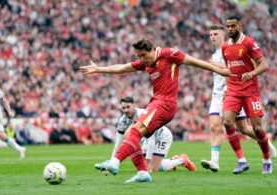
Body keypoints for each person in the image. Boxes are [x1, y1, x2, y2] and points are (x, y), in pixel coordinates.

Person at [80, 38, 233, 183]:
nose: (142, 59)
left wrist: (219, 70)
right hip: (157, 102)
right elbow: (122, 67)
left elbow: (195, 62)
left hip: (165, 103)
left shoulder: (168, 54)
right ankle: (142, 173)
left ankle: (115, 162)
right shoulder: (146, 62)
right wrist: (99, 69)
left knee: (133, 132)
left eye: (144, 55)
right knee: (130, 135)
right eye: (139, 56)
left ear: (152, 50)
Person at [200, 24, 277, 172]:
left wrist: (218, 67)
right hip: (219, 95)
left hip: (237, 91)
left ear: (223, 35)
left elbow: (237, 69)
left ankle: (267, 145)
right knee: (215, 126)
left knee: (245, 128)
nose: (212, 37)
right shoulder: (216, 54)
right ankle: (215, 161)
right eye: (210, 35)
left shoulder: (233, 48)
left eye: (215, 34)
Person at [222, 15, 273, 174]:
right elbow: (228, 69)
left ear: (240, 26)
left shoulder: (249, 43)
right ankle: (241, 161)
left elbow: (264, 65)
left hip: (250, 91)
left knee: (257, 129)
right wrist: (226, 88)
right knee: (227, 122)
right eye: (228, 26)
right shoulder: (224, 47)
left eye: (233, 26)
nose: (230, 29)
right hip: (233, 91)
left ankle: (267, 159)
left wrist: (251, 73)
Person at [95, 97, 195, 173]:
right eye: (123, 108)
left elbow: (151, 138)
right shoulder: (123, 121)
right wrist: (112, 162)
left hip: (162, 136)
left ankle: (181, 160)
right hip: (147, 140)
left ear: (134, 105)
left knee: (153, 168)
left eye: (128, 107)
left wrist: (147, 161)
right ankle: (171, 161)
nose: (126, 110)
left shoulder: (143, 114)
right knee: (146, 165)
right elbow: (118, 143)